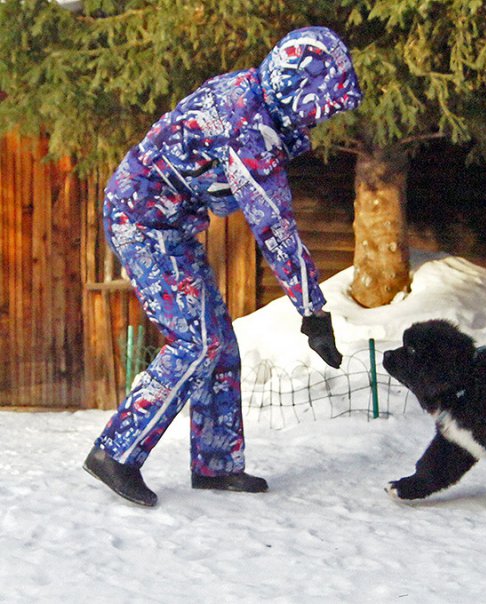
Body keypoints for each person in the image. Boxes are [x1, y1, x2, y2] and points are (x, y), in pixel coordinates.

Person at [83, 26, 362, 507]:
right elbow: (275, 227)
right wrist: (313, 313)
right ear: (300, 91)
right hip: (144, 222)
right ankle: (116, 453)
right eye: (323, 106)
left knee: (220, 344)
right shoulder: (246, 129)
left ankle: (217, 464)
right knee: (196, 342)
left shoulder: (252, 96)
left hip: (169, 223)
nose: (324, 119)